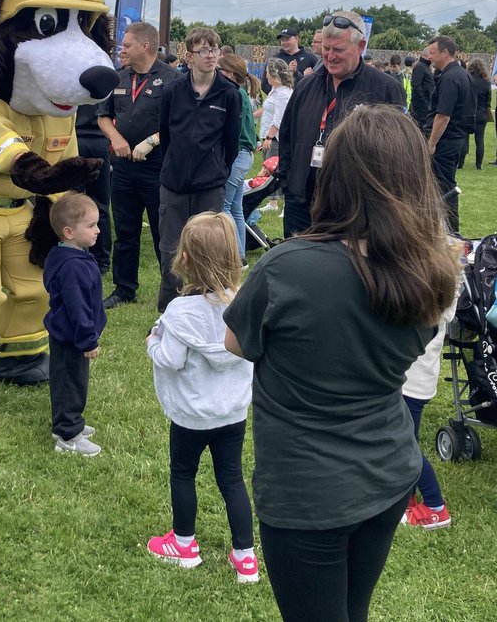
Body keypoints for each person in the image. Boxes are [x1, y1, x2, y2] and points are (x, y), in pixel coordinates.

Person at [223, 104, 459, 622]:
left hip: (308, 491)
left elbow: (235, 342)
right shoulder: (431, 271)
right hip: (389, 469)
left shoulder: (290, 266)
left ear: (336, 176)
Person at [145, 212, 257, 583]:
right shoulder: (246, 305)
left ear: (186, 259)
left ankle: (184, 544)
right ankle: (245, 558)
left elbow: (172, 360)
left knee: (183, 473)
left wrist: (153, 343)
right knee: (232, 480)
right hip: (232, 412)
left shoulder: (180, 313)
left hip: (191, 415)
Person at [276, 11, 405, 237]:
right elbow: (287, 136)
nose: (330, 56)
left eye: (338, 50)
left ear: (360, 46)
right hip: (301, 203)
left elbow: (400, 152)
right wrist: (288, 183)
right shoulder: (306, 86)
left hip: (354, 209)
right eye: (326, 48)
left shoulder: (384, 89)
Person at [157, 27, 241, 312]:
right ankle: (169, 311)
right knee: (170, 248)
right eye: (203, 50)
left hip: (209, 184)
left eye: (215, 49)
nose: (210, 55)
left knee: (210, 249)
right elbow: (165, 134)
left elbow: (231, 142)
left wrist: (217, 169)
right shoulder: (172, 90)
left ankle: (207, 309)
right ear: (188, 56)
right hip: (174, 183)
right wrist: (173, 164)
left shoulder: (230, 94)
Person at [96, 21, 180, 309]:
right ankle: (124, 288)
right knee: (126, 229)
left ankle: (171, 292)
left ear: (145, 46)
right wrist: (116, 138)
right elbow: (103, 116)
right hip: (123, 167)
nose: (123, 49)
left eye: (127, 45)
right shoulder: (118, 78)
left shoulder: (171, 79)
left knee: (163, 233)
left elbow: (177, 122)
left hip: (156, 168)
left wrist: (153, 141)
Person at [41, 193, 107, 456]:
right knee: (70, 383)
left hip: (69, 335)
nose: (98, 230)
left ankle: (66, 424)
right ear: (69, 232)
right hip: (72, 337)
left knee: (70, 380)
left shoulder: (69, 255)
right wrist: (88, 340)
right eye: (91, 226)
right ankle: (68, 436)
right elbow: (78, 308)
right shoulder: (72, 268)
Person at [401, 318, 454, 530]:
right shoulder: (441, 287)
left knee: (405, 445)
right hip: (414, 377)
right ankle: (407, 499)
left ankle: (435, 508)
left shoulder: (431, 292)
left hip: (412, 380)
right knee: (407, 438)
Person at [425, 35, 472, 233]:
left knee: (443, 188)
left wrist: (431, 143)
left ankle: (451, 232)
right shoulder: (463, 74)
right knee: (443, 187)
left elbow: (443, 115)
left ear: (445, 53)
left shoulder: (450, 78)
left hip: (446, 140)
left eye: (433, 53)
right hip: (458, 138)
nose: (430, 57)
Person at [217, 54, 260, 263]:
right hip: (246, 155)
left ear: (230, 74)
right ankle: (240, 255)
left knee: (224, 206)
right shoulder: (242, 92)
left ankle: (234, 256)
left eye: (220, 70)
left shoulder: (234, 94)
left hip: (238, 154)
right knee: (235, 207)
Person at [75, 101, 112, 276]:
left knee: (73, 203)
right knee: (100, 203)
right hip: (98, 139)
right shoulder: (105, 75)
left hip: (79, 138)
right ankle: (102, 258)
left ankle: (77, 253)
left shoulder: (72, 75)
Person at [254, 57, 292, 159]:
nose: (266, 76)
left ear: (275, 75)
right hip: (269, 136)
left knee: (271, 170)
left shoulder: (283, 94)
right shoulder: (275, 90)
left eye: (267, 73)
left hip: (276, 139)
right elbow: (266, 109)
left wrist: (269, 137)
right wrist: (250, 115)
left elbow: (278, 119)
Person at [261, 27, 317, 92]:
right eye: (282, 40)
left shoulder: (310, 58)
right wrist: (281, 95)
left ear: (296, 38)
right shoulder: (275, 59)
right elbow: (265, 84)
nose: (284, 42)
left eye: (287, 39)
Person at [459, 58, 491, 172]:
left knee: (463, 138)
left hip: (467, 112)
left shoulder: (466, 79)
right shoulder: (486, 82)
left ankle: (460, 163)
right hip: (481, 113)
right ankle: (478, 165)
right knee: (480, 140)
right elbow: (488, 100)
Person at [409, 46, 435, 132]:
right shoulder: (420, 66)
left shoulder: (425, 66)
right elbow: (416, 85)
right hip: (422, 107)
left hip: (426, 103)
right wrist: (424, 101)